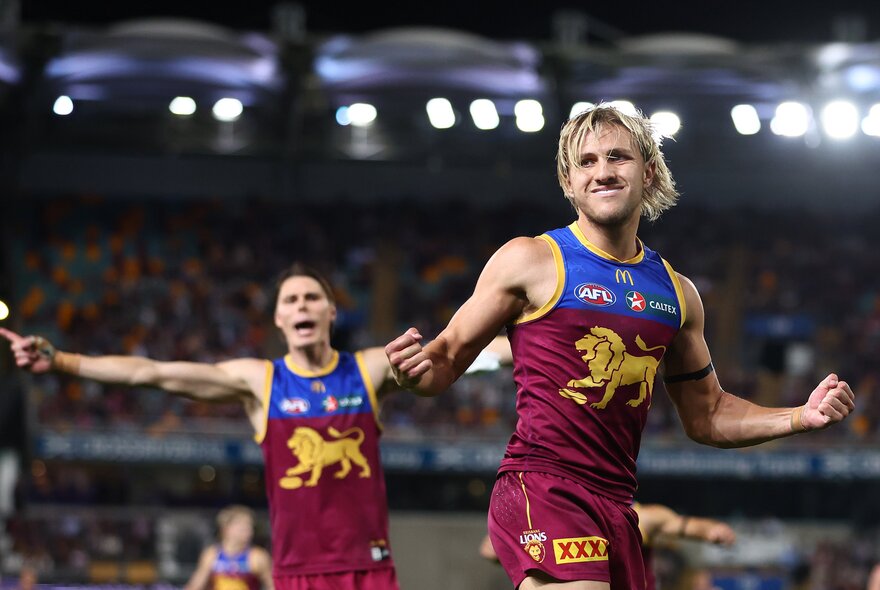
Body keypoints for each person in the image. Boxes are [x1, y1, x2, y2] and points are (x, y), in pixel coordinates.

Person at [384, 104, 855, 590]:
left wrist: (799, 417)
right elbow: (445, 358)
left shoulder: (677, 293)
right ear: (568, 182)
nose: (603, 172)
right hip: (544, 485)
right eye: (586, 162)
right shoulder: (530, 260)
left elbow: (708, 414)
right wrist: (413, 373)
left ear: (648, 172)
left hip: (617, 505)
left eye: (617, 157)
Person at [2, 262, 405, 590]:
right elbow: (152, 373)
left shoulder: (368, 368)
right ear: (279, 318)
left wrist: (425, 366)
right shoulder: (261, 381)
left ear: (331, 311)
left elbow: (435, 367)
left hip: (368, 565)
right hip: (297, 571)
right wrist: (63, 361)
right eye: (291, 299)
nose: (302, 305)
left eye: (312, 297)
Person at [479, 502, 736, 590]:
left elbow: (684, 525)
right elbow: (491, 548)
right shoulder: (562, 520)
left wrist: (711, 530)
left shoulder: (642, 517)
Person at [184, 505, 273, 590]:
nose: (249, 531)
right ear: (226, 528)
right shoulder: (211, 555)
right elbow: (195, 586)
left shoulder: (258, 556)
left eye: (249, 527)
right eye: (242, 527)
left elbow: (272, 586)